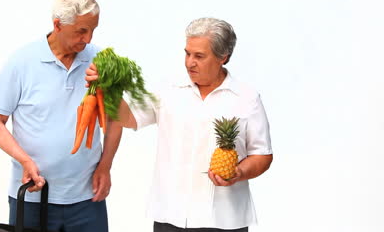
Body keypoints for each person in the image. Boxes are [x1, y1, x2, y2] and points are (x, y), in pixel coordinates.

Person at [86, 17, 273, 231]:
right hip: (170, 217)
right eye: (187, 53)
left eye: (199, 56)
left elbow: (262, 155)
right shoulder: (168, 90)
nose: (189, 62)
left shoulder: (246, 98)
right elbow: (128, 118)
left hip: (223, 220)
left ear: (223, 57)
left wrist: (239, 173)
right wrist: (108, 87)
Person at [0, 0, 121, 232]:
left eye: (92, 30)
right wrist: (24, 159)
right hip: (33, 196)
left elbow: (115, 120)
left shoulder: (101, 60)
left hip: (87, 199)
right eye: (81, 31)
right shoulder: (21, 63)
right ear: (58, 25)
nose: (88, 39)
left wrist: (105, 166)